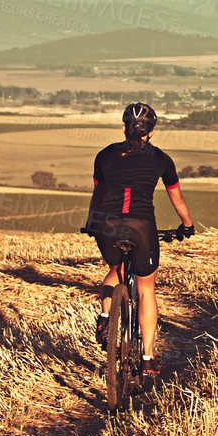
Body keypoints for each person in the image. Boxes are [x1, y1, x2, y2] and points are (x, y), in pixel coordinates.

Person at [83, 102, 193, 379]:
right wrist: (187, 226)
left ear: (124, 127)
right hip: (142, 226)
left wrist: (92, 222)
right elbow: (176, 198)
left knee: (115, 270)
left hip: (107, 224)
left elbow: (97, 195)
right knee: (146, 287)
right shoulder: (160, 158)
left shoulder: (105, 155)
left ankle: (106, 319)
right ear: (151, 131)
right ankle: (146, 358)